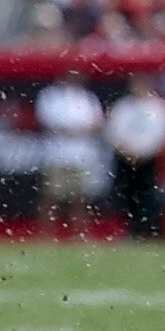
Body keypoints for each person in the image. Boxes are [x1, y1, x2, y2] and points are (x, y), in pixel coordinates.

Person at [104, 75, 165, 241]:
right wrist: (125, 151)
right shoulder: (123, 107)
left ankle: (152, 229)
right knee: (128, 195)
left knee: (149, 195)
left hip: (149, 160)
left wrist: (146, 153)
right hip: (126, 159)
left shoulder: (158, 108)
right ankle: (132, 230)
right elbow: (113, 132)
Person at [34, 71, 102, 235]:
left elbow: (96, 125)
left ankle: (81, 233)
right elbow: (48, 123)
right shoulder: (50, 96)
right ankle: (46, 233)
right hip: (56, 155)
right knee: (51, 196)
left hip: (81, 156)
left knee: (81, 197)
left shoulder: (87, 98)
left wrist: (73, 131)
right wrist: (74, 130)